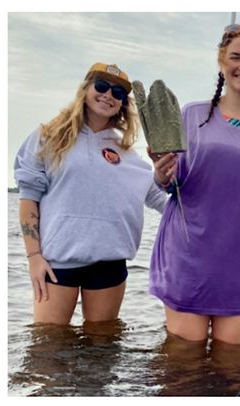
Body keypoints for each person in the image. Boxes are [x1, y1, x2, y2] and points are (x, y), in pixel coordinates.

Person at [147, 24, 240, 345]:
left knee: (231, 368)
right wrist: (162, 175)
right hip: (189, 254)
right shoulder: (191, 115)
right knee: (182, 369)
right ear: (221, 62)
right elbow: (170, 183)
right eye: (235, 57)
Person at [13, 63, 168, 325]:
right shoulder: (48, 137)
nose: (108, 95)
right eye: (102, 86)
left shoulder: (128, 155)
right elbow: (29, 196)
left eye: (118, 93)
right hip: (57, 262)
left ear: (122, 104)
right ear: (85, 89)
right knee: (46, 350)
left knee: (102, 352)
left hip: (109, 263)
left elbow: (162, 199)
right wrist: (34, 257)